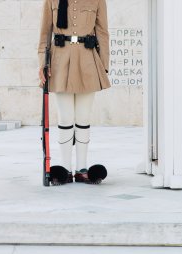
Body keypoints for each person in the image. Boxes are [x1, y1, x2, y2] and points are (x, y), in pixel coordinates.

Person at [38, 0, 111, 183]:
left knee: (83, 118)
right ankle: (65, 169)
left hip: (88, 61)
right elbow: (45, 33)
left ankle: (82, 168)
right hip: (60, 63)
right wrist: (42, 64)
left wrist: (103, 66)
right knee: (65, 118)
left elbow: (102, 32)